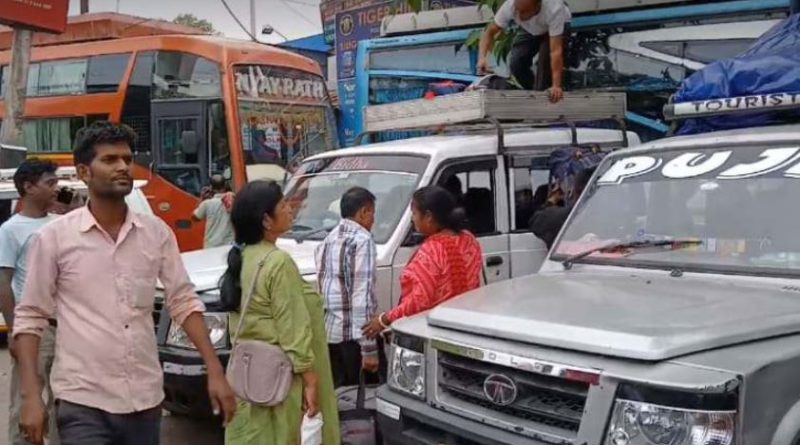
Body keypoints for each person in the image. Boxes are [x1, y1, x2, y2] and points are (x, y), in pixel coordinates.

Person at [13, 121, 236, 445]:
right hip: (82, 402)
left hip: (144, 401)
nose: (122, 167)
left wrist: (215, 370)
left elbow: (183, 300)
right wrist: (31, 397)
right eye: (109, 160)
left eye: (127, 159)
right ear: (84, 172)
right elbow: (30, 316)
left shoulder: (155, 233)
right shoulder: (55, 239)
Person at [222, 181, 340, 445]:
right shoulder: (278, 262)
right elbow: (293, 330)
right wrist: (311, 381)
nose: (291, 209)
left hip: (249, 376)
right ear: (266, 219)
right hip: (282, 381)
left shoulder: (243, 257)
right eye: (284, 204)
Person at [362, 186, 483, 336]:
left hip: (436, 330)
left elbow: (419, 302)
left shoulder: (431, 251)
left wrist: (384, 320)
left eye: (414, 213)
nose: (412, 219)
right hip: (467, 325)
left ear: (428, 216)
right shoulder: (469, 240)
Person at [0, 159, 60, 445]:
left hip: (65, 327)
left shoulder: (60, 224)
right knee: (27, 399)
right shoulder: (10, 230)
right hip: (33, 329)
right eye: (49, 183)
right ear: (28, 187)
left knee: (64, 401)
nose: (56, 189)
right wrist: (14, 331)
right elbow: (3, 283)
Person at [315, 187, 380, 388]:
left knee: (339, 400)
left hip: (330, 335)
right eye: (372, 213)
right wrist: (369, 349)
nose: (373, 220)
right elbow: (361, 296)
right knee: (361, 402)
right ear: (363, 212)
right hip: (354, 340)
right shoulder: (362, 240)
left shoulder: (328, 240)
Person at [478, 0, 571, 102]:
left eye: (525, 13)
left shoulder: (554, 9)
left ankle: (545, 91)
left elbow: (555, 52)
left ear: (537, 7)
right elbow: (489, 33)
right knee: (516, 63)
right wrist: (482, 58)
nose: (520, 16)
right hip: (530, 29)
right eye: (518, 12)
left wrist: (556, 86)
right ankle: (533, 93)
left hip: (556, 26)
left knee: (544, 66)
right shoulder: (510, 6)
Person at [530, 166, 595, 249]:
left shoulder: (561, 218)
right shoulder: (612, 219)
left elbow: (535, 221)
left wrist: (551, 200)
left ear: (573, 191)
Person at [193, 174, 235, 248]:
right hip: (229, 245)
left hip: (211, 245)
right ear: (225, 186)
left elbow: (195, 217)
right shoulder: (233, 201)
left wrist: (201, 199)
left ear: (211, 187)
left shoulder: (207, 203)